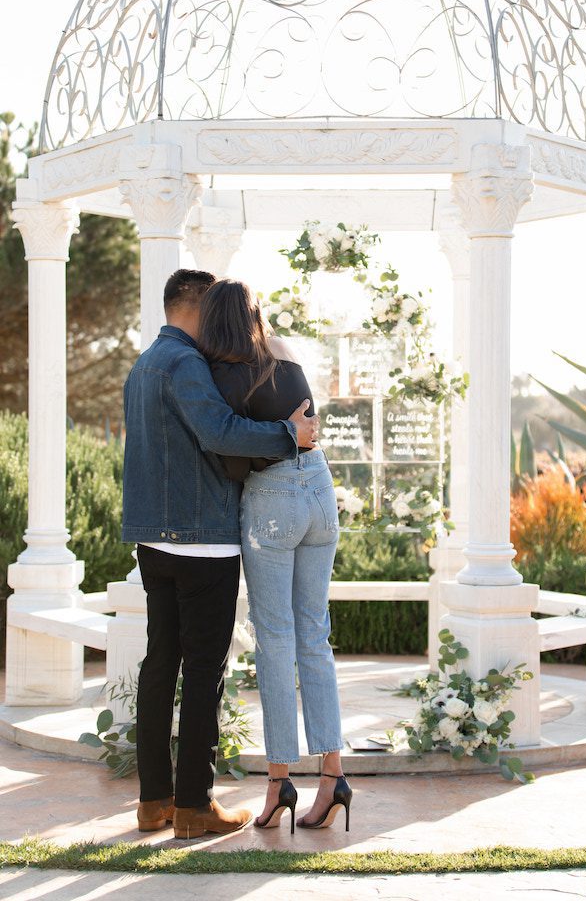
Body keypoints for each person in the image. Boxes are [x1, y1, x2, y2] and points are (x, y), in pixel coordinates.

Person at [122, 269, 320, 841]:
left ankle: (153, 802)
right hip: (200, 537)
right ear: (197, 306)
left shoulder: (143, 364)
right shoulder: (185, 364)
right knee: (204, 670)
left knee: (160, 665)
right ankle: (194, 806)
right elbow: (220, 431)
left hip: (153, 540)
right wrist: (290, 436)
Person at [198, 278, 352, 834]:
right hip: (320, 491)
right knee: (315, 634)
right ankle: (333, 778)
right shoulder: (284, 352)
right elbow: (306, 424)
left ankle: (278, 782)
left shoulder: (221, 372)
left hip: (273, 502)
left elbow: (225, 439)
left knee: (276, 640)